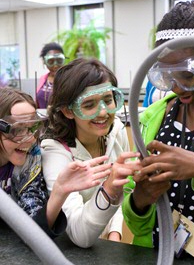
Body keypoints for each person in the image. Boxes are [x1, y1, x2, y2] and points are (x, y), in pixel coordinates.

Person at [122, 0, 194, 259]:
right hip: (158, 254)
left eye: (187, 75)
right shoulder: (152, 119)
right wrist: (140, 199)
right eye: (167, 76)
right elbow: (134, 220)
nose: (176, 87)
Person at [41, 57, 141, 248]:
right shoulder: (55, 152)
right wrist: (108, 190)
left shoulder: (116, 130)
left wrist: (115, 233)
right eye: (88, 105)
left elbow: (125, 189)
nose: (103, 113)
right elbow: (80, 236)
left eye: (108, 100)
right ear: (68, 111)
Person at [0, 87, 112, 238]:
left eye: (32, 128)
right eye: (17, 130)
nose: (30, 138)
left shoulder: (31, 159)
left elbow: (34, 231)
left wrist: (59, 192)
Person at [36, 42, 65, 109]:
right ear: (44, 62)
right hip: (43, 118)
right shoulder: (43, 79)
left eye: (59, 60)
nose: (55, 65)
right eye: (51, 61)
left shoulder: (68, 79)